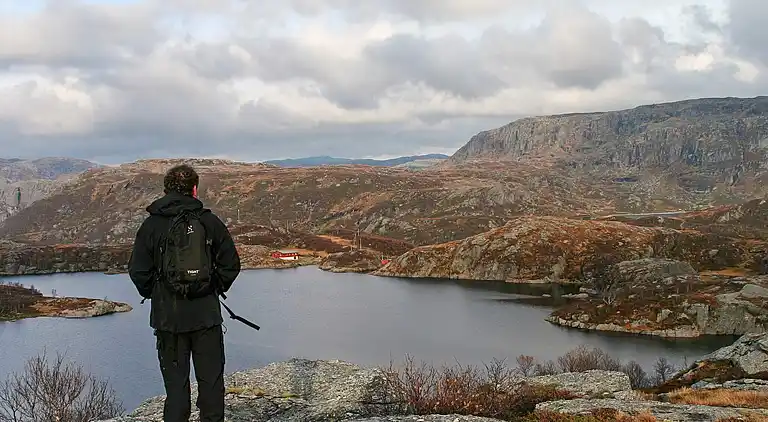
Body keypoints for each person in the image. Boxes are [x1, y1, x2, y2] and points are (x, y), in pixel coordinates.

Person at [128, 164, 240, 422]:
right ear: (194, 189)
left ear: (166, 190)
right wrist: (211, 287)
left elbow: (139, 271)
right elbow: (231, 264)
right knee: (211, 383)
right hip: (206, 318)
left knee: (176, 387)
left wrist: (158, 292)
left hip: (169, 319)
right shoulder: (209, 221)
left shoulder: (152, 225)